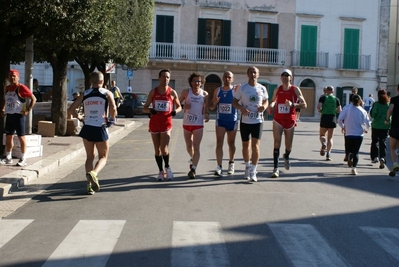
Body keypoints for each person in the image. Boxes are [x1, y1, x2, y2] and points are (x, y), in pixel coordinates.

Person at [67, 71, 117, 195]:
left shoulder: (85, 94)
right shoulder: (107, 93)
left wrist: (80, 118)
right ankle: (94, 173)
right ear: (102, 82)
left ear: (90, 81)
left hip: (87, 127)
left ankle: (89, 186)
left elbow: (71, 109)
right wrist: (112, 118)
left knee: (90, 156)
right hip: (100, 127)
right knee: (103, 157)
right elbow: (113, 108)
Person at [143, 69, 182, 181]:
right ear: (159, 78)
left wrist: (176, 111)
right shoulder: (153, 92)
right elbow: (144, 108)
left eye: (168, 77)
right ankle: (160, 171)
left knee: (164, 149)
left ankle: (167, 167)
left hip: (166, 123)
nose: (166, 79)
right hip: (154, 124)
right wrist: (150, 110)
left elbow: (179, 106)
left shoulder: (172, 92)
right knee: (157, 150)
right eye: (164, 77)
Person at [267, 69, 307, 178]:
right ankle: (275, 169)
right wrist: (271, 105)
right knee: (276, 142)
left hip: (290, 120)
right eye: (283, 75)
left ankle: (287, 155)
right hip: (278, 119)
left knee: (288, 145)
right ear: (281, 78)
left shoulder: (295, 90)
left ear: (291, 77)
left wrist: (293, 104)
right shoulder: (277, 89)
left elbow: (304, 104)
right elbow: (273, 100)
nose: (285, 77)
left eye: (287, 75)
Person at [233, 66, 268, 182]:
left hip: (258, 121)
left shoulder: (262, 88)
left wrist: (264, 107)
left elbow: (266, 101)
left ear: (258, 75)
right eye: (251, 72)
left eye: (255, 73)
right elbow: (234, 102)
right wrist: (241, 109)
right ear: (247, 74)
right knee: (245, 146)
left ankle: (254, 170)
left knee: (256, 146)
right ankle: (247, 167)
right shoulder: (242, 88)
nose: (253, 74)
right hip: (245, 121)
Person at [0, 70, 37, 166]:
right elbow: (5, 100)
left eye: (14, 76)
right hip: (9, 115)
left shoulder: (21, 88)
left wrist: (28, 110)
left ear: (18, 77)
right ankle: (8, 157)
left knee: (21, 137)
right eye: (10, 76)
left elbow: (33, 98)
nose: (12, 78)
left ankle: (23, 158)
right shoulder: (7, 88)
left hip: (18, 116)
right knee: (8, 137)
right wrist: (3, 109)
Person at [179, 72, 210, 179]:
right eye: (195, 81)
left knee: (196, 146)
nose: (197, 83)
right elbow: (177, 103)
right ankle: (193, 158)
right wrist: (184, 105)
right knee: (188, 146)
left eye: (199, 81)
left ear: (201, 83)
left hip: (198, 124)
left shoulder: (205, 94)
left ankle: (193, 169)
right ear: (191, 82)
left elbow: (206, 107)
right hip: (187, 123)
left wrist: (206, 114)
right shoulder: (186, 92)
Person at [209, 71, 239, 176]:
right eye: (225, 77)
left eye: (229, 77)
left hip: (232, 120)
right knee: (219, 143)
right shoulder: (218, 90)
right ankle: (219, 166)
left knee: (231, 143)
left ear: (232, 79)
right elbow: (212, 107)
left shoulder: (235, 90)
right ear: (223, 78)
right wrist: (215, 103)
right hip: (220, 120)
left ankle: (231, 163)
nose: (227, 79)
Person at [338, 94, 370, 175]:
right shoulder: (363, 111)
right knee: (356, 151)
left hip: (348, 132)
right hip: (359, 134)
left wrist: (343, 126)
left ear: (351, 100)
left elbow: (339, 119)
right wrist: (365, 129)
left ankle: (349, 154)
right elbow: (367, 123)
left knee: (348, 148)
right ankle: (354, 168)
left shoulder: (346, 109)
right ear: (360, 101)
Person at [317, 85, 342, 161]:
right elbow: (339, 110)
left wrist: (321, 111)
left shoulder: (323, 97)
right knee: (330, 137)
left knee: (322, 135)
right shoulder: (336, 99)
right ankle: (328, 154)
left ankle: (323, 144)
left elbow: (318, 107)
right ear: (333, 91)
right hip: (332, 118)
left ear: (326, 91)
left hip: (324, 117)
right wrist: (334, 111)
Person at [369, 89, 390, 169]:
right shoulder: (388, 104)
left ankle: (375, 157)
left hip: (376, 125)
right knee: (383, 142)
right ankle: (383, 157)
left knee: (375, 141)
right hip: (385, 126)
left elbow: (373, 114)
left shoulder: (376, 104)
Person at [385, 85, 399, 176]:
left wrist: (387, 119)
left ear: (397, 89)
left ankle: (394, 164)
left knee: (392, 148)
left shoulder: (394, 99)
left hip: (395, 126)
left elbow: (390, 110)